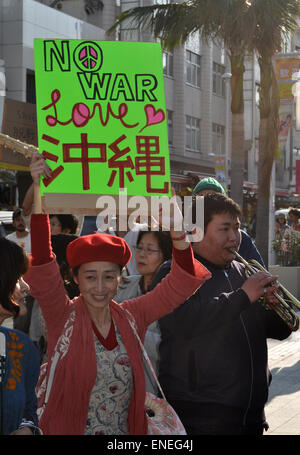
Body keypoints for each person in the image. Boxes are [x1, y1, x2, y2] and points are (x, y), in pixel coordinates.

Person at [24, 153, 211, 435]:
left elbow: (180, 283)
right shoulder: (61, 315)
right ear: (75, 278)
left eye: (109, 277)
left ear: (120, 279)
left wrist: (176, 229)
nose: (100, 287)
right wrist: (39, 190)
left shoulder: (132, 316)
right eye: (90, 277)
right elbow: (42, 259)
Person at [150, 192, 291, 435]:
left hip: (250, 414)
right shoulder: (174, 273)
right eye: (224, 229)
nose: (234, 238)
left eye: (237, 229)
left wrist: (272, 306)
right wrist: (243, 297)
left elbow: (281, 331)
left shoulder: (244, 271)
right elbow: (181, 323)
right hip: (201, 417)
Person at [114, 229, 173, 392]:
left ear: (165, 255)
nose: (142, 254)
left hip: (156, 382)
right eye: (139, 248)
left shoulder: (171, 293)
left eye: (150, 249)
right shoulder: (123, 285)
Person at [0, 237, 40, 435]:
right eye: (17, 278)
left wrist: (27, 428)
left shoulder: (20, 346)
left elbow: (28, 408)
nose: (26, 287)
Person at [192, 177, 265, 266]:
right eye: (202, 199)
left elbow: (258, 269)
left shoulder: (242, 238)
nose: (233, 237)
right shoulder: (185, 237)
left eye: (214, 198)